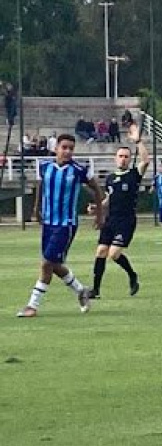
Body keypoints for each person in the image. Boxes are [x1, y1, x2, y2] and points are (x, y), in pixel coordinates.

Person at [17, 134, 105, 318]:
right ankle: (81, 291)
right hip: (48, 223)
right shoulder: (45, 166)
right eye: (64, 147)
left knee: (46, 263)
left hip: (66, 225)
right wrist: (36, 208)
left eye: (71, 148)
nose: (68, 151)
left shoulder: (78, 170)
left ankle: (32, 305)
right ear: (56, 148)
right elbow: (40, 186)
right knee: (54, 264)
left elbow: (97, 190)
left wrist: (99, 214)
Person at [90, 123, 150, 298]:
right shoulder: (110, 178)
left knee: (114, 254)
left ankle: (132, 275)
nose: (123, 159)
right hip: (111, 220)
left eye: (126, 156)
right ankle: (96, 290)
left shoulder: (134, 175)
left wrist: (138, 141)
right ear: (115, 158)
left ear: (130, 159)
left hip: (126, 221)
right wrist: (98, 207)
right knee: (101, 251)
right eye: (120, 156)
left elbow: (146, 161)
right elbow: (109, 199)